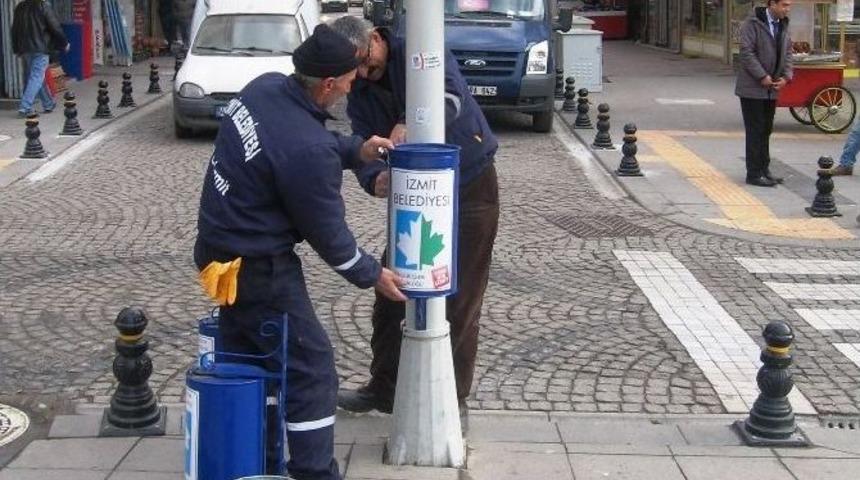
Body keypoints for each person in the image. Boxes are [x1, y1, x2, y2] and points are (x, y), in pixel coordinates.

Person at [193, 24, 406, 479]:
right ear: (327, 83)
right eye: (348, 80)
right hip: (257, 268)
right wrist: (374, 275)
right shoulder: (307, 150)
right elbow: (332, 238)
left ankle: (255, 456)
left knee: (253, 355)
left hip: (216, 251)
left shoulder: (265, 88)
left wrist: (358, 149)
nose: (352, 86)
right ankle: (313, 472)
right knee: (312, 367)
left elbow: (297, 141)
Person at [330, 16, 500, 414]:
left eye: (365, 61)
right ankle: (384, 389)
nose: (362, 73)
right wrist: (375, 179)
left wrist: (411, 122)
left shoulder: (420, 46)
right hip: (412, 197)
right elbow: (362, 144)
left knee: (460, 297)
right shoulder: (361, 91)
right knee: (392, 290)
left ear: (376, 39)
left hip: (470, 184)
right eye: (354, 68)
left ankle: (452, 402)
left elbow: (451, 96)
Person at [735, 0, 793, 187]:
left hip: (772, 88)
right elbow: (746, 52)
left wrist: (786, 77)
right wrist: (762, 76)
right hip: (752, 88)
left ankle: (764, 169)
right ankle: (754, 173)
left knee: (766, 130)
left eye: (789, 5)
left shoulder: (783, 24)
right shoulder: (752, 23)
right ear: (772, 4)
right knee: (755, 130)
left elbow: (788, 52)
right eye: (784, 5)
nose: (787, 9)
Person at [11, 0, 69, 117]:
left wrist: (16, 48)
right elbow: (55, 27)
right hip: (41, 48)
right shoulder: (43, 6)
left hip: (25, 49)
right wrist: (64, 43)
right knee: (37, 76)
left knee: (36, 76)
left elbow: (14, 29)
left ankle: (48, 103)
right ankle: (25, 107)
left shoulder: (20, 7)